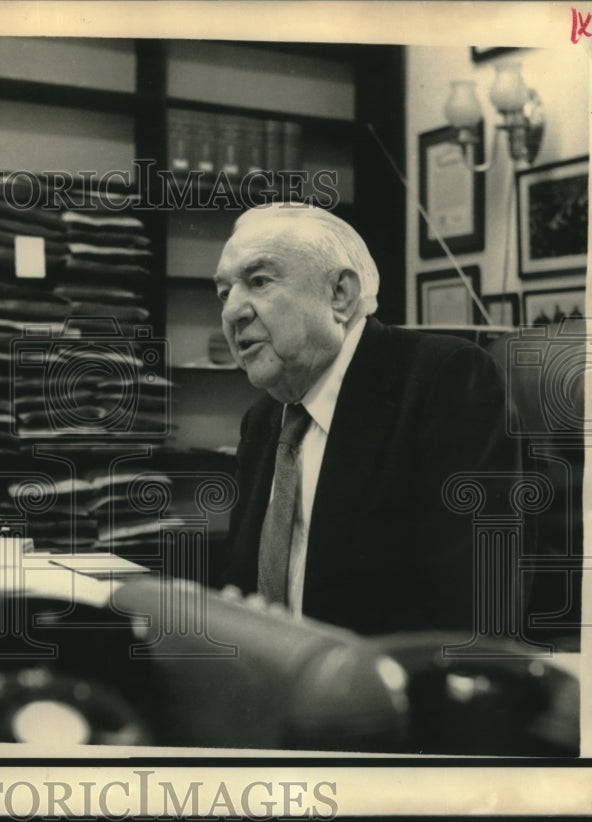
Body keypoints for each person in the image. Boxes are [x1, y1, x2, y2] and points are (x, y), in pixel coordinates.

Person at [216, 205, 520, 635]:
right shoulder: (262, 419)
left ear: (339, 294)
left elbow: (472, 606)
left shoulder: (445, 380)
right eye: (223, 293)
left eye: (259, 281)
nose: (232, 312)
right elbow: (241, 581)